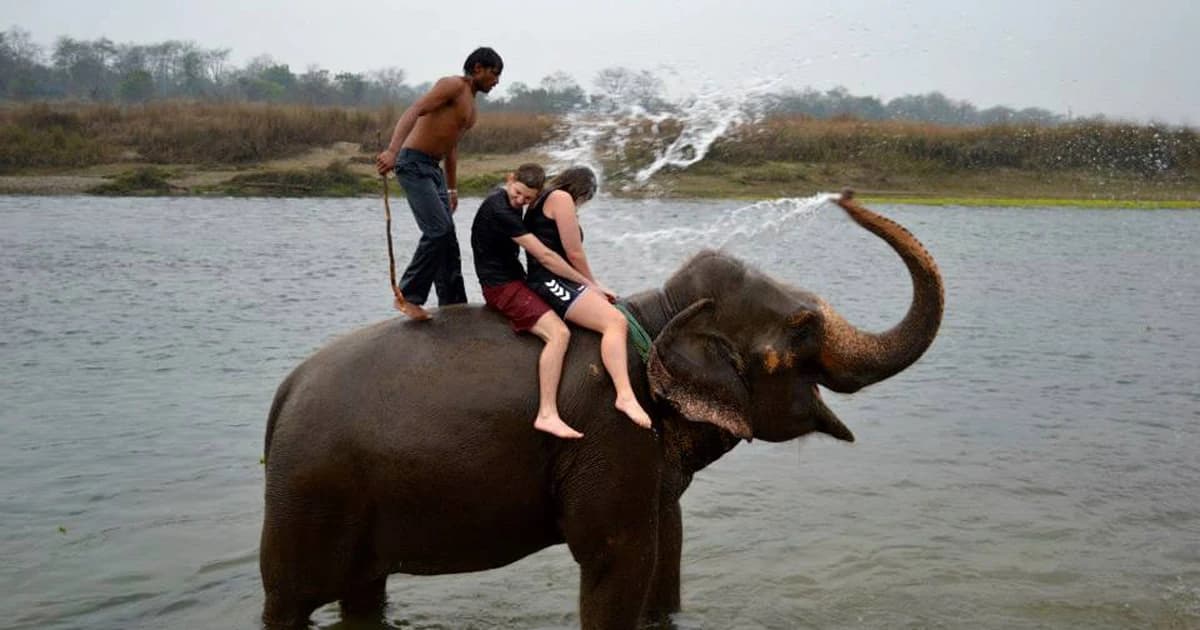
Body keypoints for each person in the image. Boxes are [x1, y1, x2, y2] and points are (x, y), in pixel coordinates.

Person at [470, 163, 601, 439]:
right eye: (517, 193)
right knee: (559, 333)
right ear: (510, 178)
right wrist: (587, 283)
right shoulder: (500, 209)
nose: (520, 201)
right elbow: (545, 257)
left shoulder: (513, 202)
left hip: (514, 278)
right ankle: (547, 413)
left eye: (527, 199)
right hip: (501, 287)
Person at [375, 46, 503, 320]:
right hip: (413, 163)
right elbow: (416, 109)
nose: (497, 81)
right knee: (437, 230)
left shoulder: (472, 108)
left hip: (433, 170)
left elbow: (452, 148)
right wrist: (393, 151)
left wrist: (451, 188)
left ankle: (453, 304)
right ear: (478, 68)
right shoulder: (453, 86)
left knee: (449, 241)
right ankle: (408, 296)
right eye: (494, 74)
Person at [523, 167, 653, 430]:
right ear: (581, 191)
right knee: (615, 322)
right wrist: (593, 285)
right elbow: (574, 253)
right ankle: (625, 395)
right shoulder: (562, 199)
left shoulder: (544, 198)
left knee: (610, 313)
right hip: (549, 281)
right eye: (584, 199)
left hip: (557, 278)